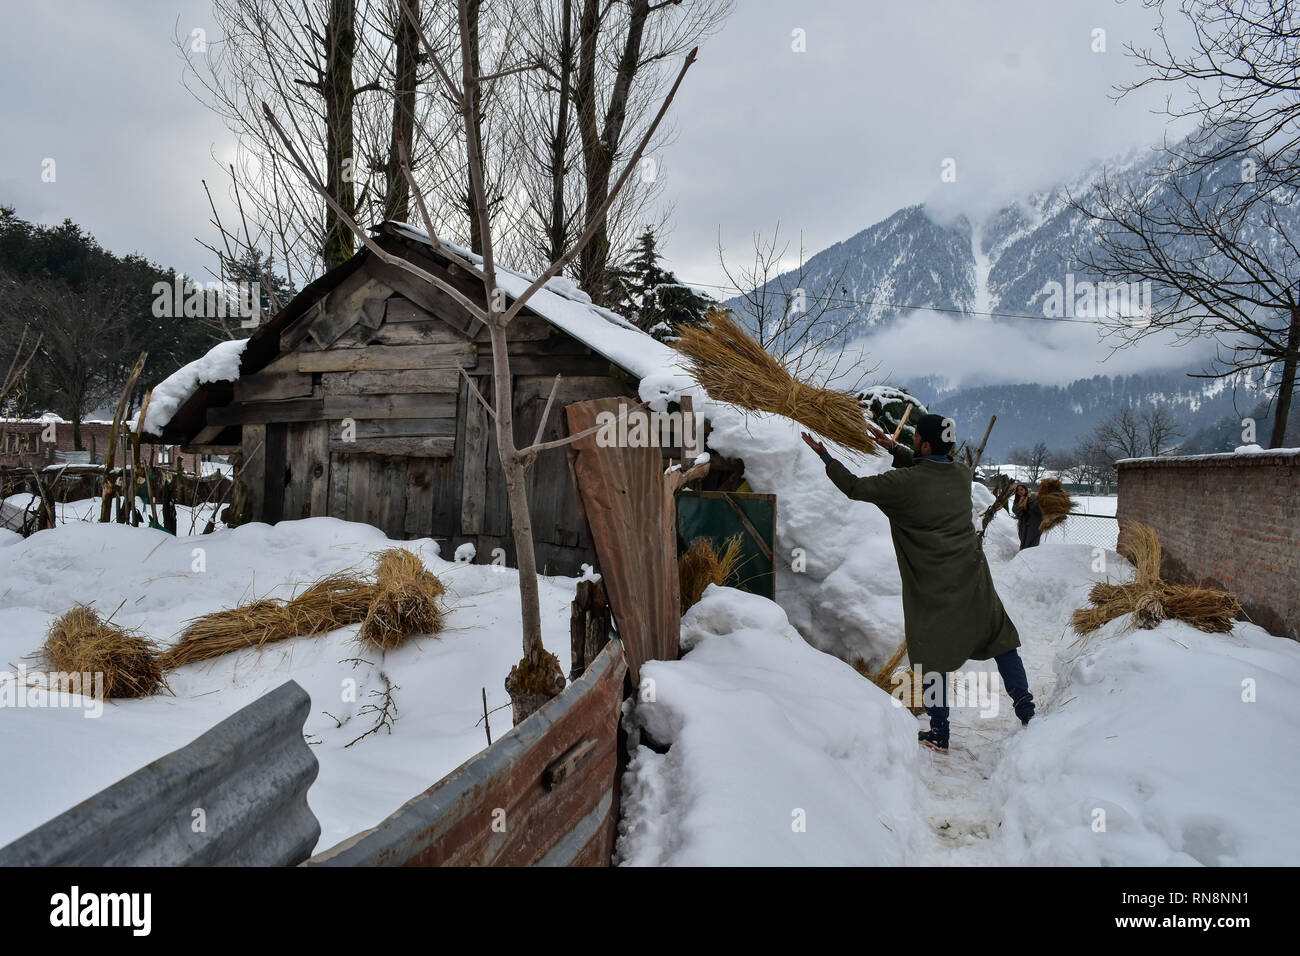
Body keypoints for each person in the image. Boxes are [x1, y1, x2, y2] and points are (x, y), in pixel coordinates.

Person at [801, 414, 1035, 754]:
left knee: (930, 653)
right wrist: (894, 448)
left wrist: (825, 455)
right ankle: (1028, 711)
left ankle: (940, 732)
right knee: (1000, 638)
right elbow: (930, 470)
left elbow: (854, 487)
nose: (912, 443)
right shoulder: (961, 474)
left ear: (924, 445)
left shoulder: (903, 483)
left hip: (934, 584)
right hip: (973, 576)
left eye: (916, 439)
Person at [1012, 483, 1042, 550]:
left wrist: (1029, 499)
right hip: (1023, 524)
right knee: (1023, 541)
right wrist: (1020, 502)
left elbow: (1036, 508)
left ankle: (1030, 554)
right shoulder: (1018, 500)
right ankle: (1023, 553)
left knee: (1031, 543)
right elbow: (1015, 510)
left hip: (1034, 524)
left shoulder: (1033, 497)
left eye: (1021, 489)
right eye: (1018, 490)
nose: (1020, 491)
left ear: (1025, 490)